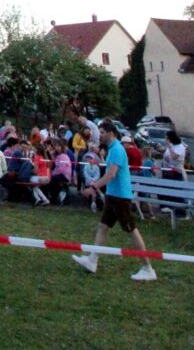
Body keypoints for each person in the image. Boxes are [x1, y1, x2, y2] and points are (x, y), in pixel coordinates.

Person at [72, 119, 157, 282]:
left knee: (132, 230)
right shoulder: (112, 149)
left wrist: (94, 187)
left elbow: (111, 174)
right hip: (113, 196)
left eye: (102, 133)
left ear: (111, 133)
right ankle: (92, 260)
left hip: (121, 197)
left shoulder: (117, 149)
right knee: (103, 227)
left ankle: (147, 268)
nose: (100, 135)